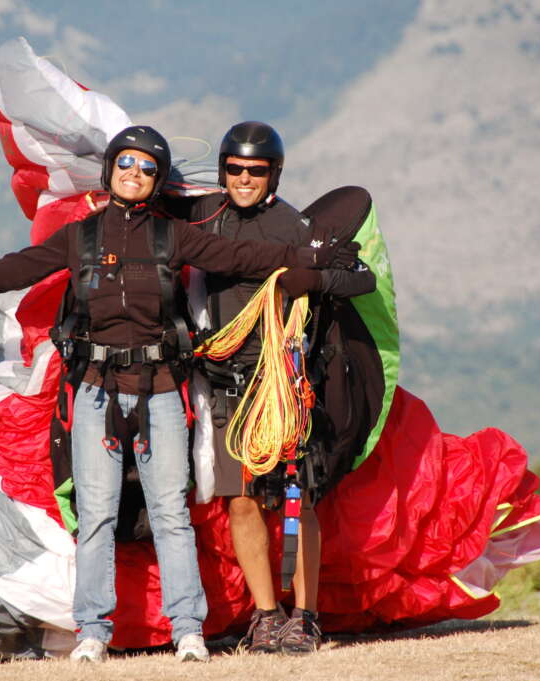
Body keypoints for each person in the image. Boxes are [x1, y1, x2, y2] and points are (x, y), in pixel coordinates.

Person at [0, 125, 356, 663]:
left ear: (158, 179)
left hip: (162, 391)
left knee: (169, 512)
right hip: (95, 392)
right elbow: (15, 268)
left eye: (146, 168)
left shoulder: (174, 237)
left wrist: (319, 262)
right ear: (110, 171)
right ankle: (92, 631)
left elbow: (247, 258)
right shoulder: (81, 239)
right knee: (96, 513)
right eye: (126, 164)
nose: (135, 175)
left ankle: (188, 629)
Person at [179, 121, 375, 655]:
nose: (244, 179)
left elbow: (363, 278)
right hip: (225, 382)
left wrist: (315, 279)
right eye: (234, 169)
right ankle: (267, 616)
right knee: (240, 502)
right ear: (222, 171)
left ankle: (306, 617)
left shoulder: (296, 227)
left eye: (256, 171)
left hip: (285, 385)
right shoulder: (203, 219)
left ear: (274, 174)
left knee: (296, 502)